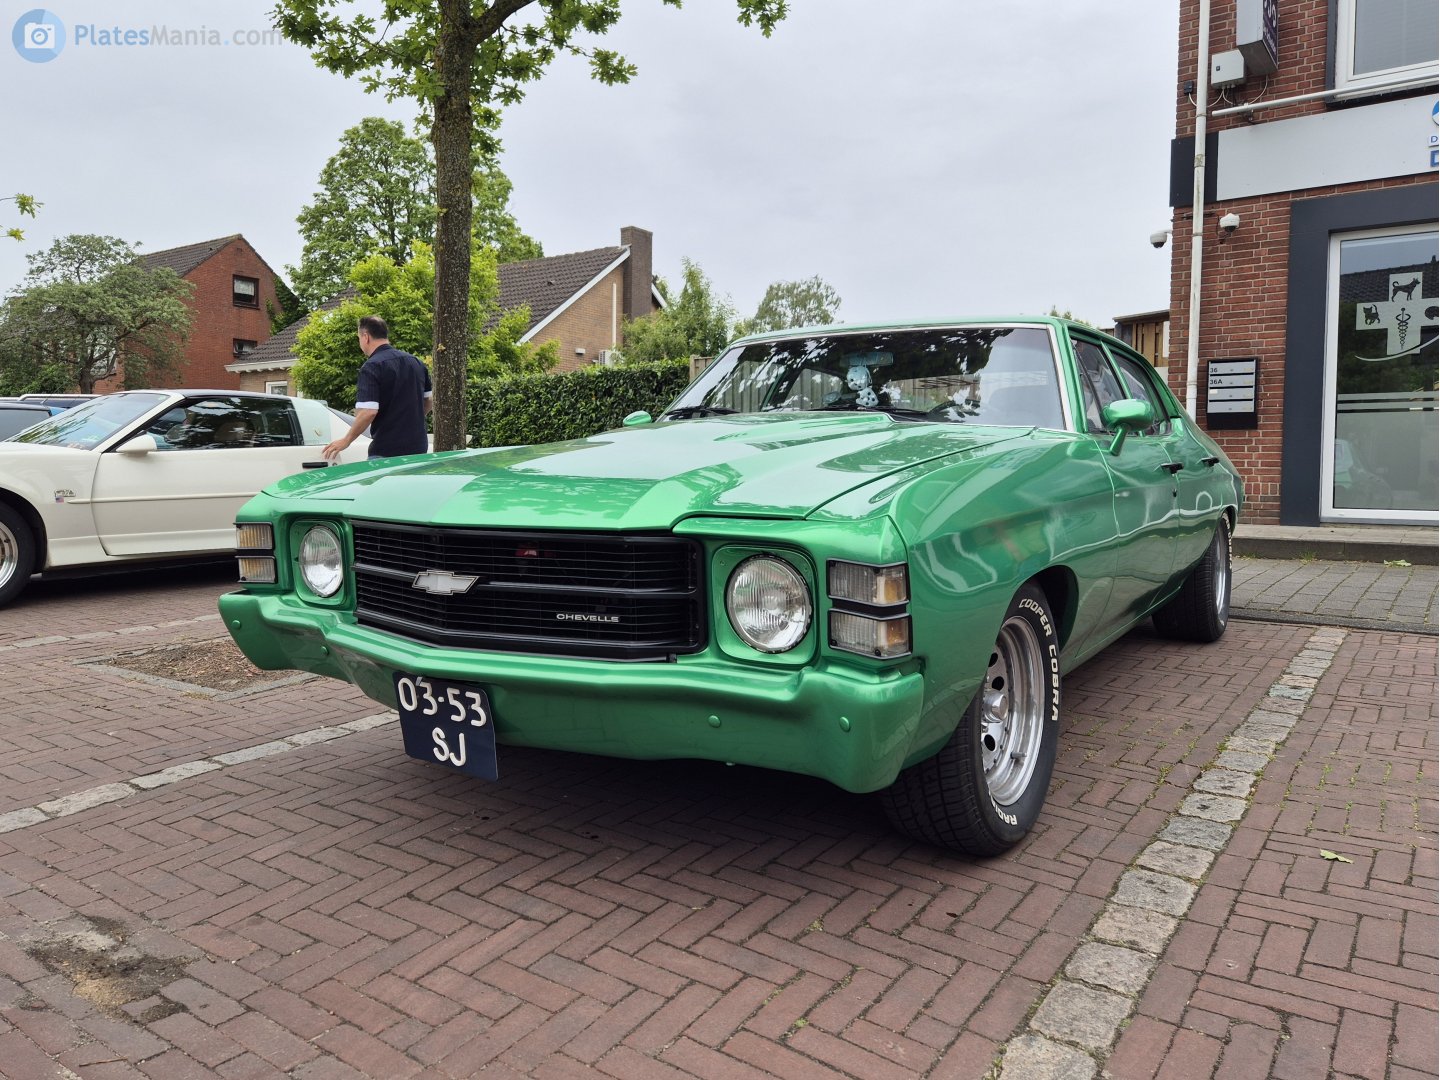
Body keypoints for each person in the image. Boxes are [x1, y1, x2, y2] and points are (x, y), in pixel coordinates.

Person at [323, 316, 433, 461]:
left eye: (359, 338)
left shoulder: (372, 367)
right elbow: (429, 401)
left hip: (387, 451)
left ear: (365, 337)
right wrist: (409, 419)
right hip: (418, 448)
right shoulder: (416, 363)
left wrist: (346, 440)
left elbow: (368, 412)